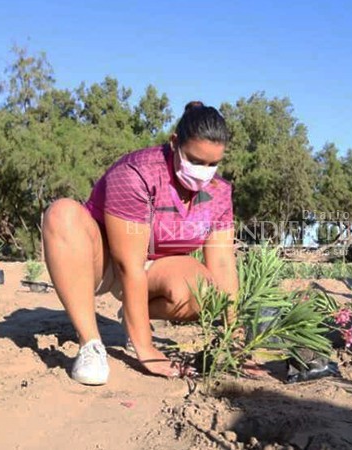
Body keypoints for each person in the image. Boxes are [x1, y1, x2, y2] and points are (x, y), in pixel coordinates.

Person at [42, 101, 238, 385]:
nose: (202, 172)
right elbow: (128, 264)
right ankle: (91, 344)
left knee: (204, 291)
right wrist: (146, 349)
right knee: (62, 213)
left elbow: (222, 263)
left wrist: (237, 338)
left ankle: (133, 316)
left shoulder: (219, 193)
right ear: (174, 144)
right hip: (105, 261)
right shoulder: (137, 173)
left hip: (154, 270)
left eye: (212, 164)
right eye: (195, 160)